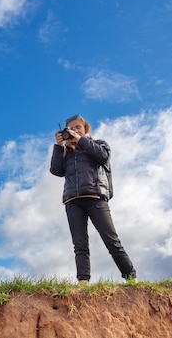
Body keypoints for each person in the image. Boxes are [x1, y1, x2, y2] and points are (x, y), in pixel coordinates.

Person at [50, 114, 136, 285]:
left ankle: (131, 278)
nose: (74, 130)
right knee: (80, 245)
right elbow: (56, 170)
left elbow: (103, 157)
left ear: (85, 129)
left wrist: (81, 140)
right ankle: (83, 283)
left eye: (77, 127)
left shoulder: (98, 144)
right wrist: (59, 146)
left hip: (95, 197)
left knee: (111, 240)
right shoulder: (67, 152)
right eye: (71, 128)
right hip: (72, 200)